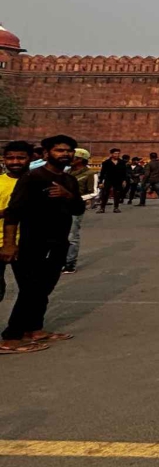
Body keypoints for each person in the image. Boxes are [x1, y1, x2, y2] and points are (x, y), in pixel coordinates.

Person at [0, 135, 88, 353]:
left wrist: (68, 195)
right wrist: (9, 243)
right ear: (47, 153)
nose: (64, 154)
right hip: (33, 241)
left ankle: (33, 329)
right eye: (59, 150)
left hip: (58, 242)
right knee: (31, 289)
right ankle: (11, 337)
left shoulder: (69, 180)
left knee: (45, 288)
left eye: (68, 151)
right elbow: (13, 213)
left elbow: (78, 209)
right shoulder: (32, 178)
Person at [0, 141, 33, 308]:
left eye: (20, 158)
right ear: (4, 159)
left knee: (31, 290)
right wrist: (11, 211)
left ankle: (25, 323)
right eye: (10, 158)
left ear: (30, 158)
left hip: (28, 244)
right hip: (0, 242)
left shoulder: (39, 182)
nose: (15, 162)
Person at [94, 148, 129, 214]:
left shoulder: (122, 162)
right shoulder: (106, 162)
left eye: (118, 153)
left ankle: (116, 208)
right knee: (105, 193)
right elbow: (102, 173)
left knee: (117, 194)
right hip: (108, 179)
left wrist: (124, 180)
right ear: (111, 154)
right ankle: (102, 208)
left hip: (118, 180)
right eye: (115, 153)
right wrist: (100, 182)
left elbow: (124, 172)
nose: (117, 155)